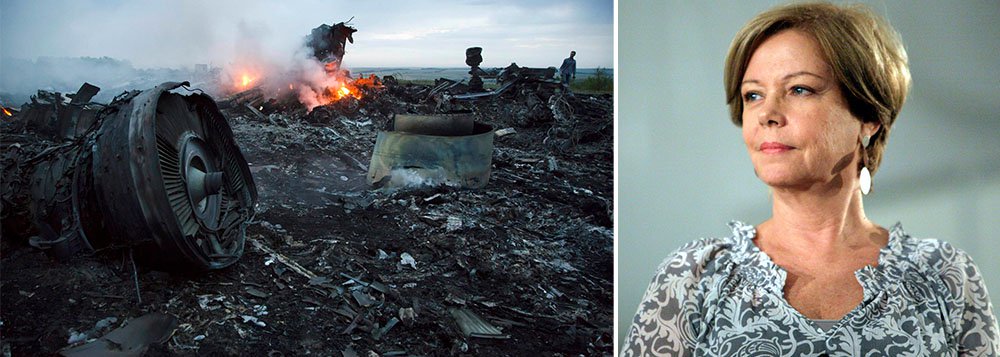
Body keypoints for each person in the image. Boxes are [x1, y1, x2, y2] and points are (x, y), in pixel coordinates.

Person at [621, 2, 999, 356]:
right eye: (753, 95)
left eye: (799, 89)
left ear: (868, 116)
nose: (766, 113)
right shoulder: (693, 275)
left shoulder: (944, 274)